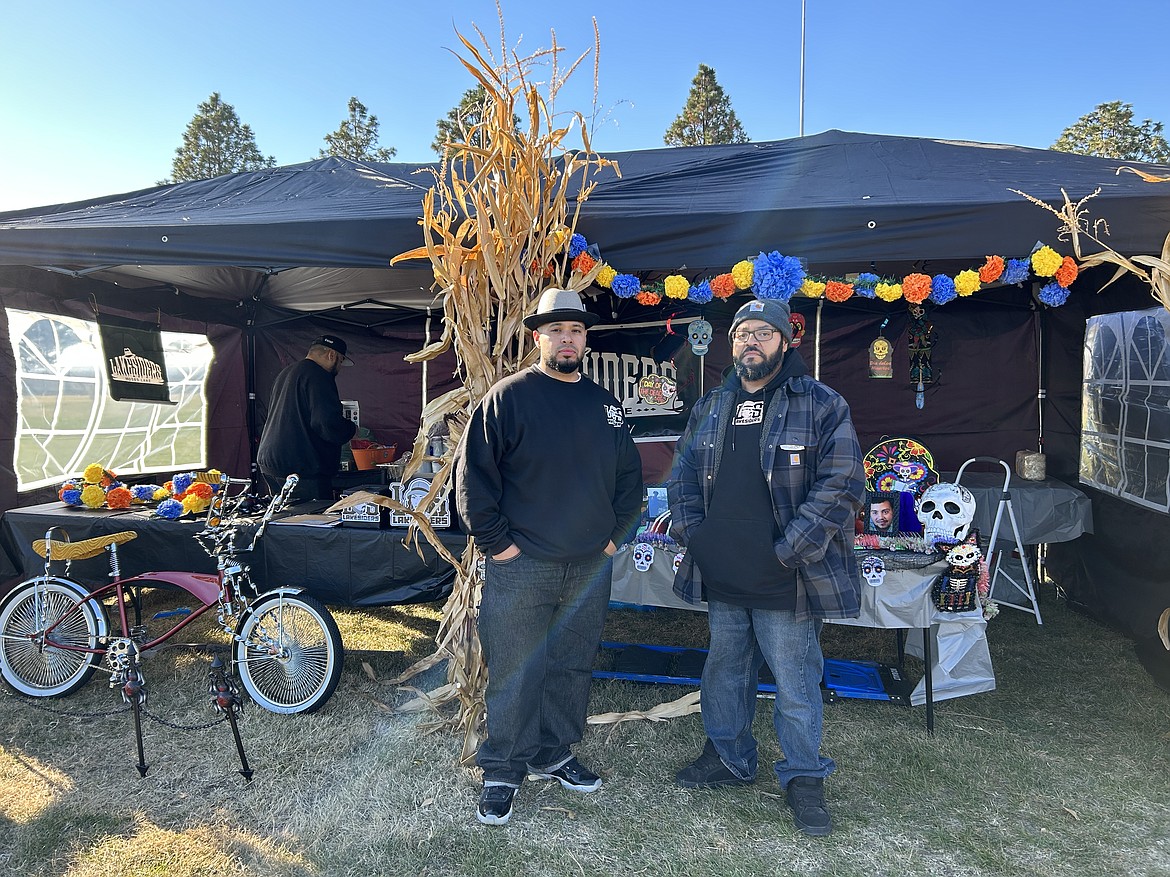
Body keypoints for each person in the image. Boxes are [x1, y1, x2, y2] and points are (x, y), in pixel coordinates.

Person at [668, 298, 864, 837]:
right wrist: (695, 536)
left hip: (787, 573)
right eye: (741, 334)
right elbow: (681, 476)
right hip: (724, 569)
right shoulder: (711, 405)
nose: (749, 342)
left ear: (785, 341)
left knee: (795, 679)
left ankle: (803, 777)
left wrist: (787, 551)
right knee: (724, 667)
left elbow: (842, 483)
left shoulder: (821, 403)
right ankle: (728, 757)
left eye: (762, 333)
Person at [455, 288, 644, 827]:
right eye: (557, 329)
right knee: (516, 669)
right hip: (522, 566)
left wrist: (612, 541)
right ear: (538, 336)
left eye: (576, 330)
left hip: (588, 566)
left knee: (571, 664)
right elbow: (475, 483)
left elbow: (631, 483)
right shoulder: (508, 398)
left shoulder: (604, 405)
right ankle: (503, 770)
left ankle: (554, 751)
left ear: (585, 339)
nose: (567, 338)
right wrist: (500, 547)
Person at [257, 334, 357, 504]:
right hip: (301, 467)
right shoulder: (319, 376)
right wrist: (350, 429)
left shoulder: (286, 372)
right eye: (340, 361)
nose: (339, 368)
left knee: (283, 521)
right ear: (331, 355)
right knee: (309, 522)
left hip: (270, 462)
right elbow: (326, 423)